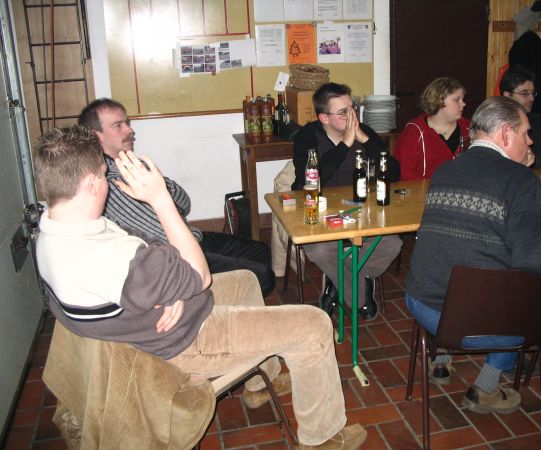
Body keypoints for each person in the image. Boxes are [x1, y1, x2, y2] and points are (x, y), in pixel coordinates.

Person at [34, 126, 367, 450]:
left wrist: (173, 288)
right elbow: (200, 276)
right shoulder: (111, 261)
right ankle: (323, 439)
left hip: (157, 322)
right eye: (103, 175)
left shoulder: (52, 231)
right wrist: (160, 199)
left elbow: (147, 244)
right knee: (314, 326)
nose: (108, 181)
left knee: (246, 280)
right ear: (91, 184)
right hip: (184, 342)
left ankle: (258, 383)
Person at [405, 96, 541, 414]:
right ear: (505, 133)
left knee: (462, 260)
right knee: (532, 301)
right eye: (525, 133)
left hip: (422, 304)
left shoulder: (445, 170)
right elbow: (535, 256)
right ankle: (485, 389)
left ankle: (442, 357)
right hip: (477, 322)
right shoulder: (520, 182)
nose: (531, 141)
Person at [77, 99, 275, 297]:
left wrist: (161, 187)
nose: (129, 130)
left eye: (127, 123)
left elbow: (184, 202)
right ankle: (215, 304)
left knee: (261, 251)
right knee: (263, 276)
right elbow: (161, 237)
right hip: (177, 257)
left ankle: (235, 298)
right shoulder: (104, 183)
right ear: (97, 136)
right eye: (118, 125)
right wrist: (161, 191)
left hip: (192, 237)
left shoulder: (133, 165)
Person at [291, 82, 402, 321]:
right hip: (322, 217)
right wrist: (345, 145)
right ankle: (360, 294)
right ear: (324, 117)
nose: (352, 116)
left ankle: (337, 280)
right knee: (321, 250)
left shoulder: (365, 132)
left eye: (353, 108)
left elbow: (393, 173)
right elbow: (308, 182)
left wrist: (366, 140)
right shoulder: (307, 137)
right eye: (343, 112)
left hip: (361, 214)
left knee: (392, 244)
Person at [392, 77, 471, 180]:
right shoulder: (415, 131)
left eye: (462, 100)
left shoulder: (469, 128)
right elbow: (401, 171)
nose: (463, 104)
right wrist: (430, 185)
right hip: (424, 189)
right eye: (457, 100)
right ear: (439, 101)